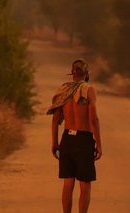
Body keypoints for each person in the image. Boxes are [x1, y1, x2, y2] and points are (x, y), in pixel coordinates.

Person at [46, 59, 102, 213]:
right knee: (85, 183)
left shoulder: (63, 90)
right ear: (87, 74)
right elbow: (93, 119)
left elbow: (55, 119)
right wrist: (99, 144)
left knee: (68, 182)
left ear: (72, 73)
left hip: (67, 138)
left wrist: (54, 142)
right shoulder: (89, 90)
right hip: (83, 140)